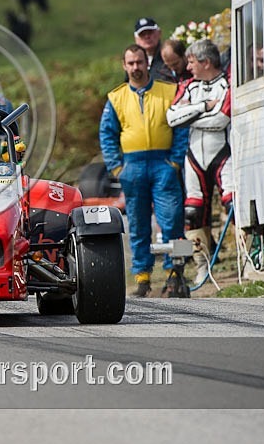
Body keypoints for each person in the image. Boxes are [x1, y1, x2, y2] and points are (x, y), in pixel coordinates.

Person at [99, 44, 187, 297]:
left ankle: (174, 274)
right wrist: (116, 167)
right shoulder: (116, 97)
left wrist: (175, 162)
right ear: (124, 66)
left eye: (139, 62)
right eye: (131, 63)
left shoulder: (169, 91)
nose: (136, 67)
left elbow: (181, 127)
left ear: (146, 63)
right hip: (132, 166)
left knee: (171, 219)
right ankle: (142, 276)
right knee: (137, 224)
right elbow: (107, 134)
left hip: (163, 164)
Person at [166, 39, 233, 285]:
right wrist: (204, 107)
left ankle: (245, 264)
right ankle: (202, 267)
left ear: (205, 61)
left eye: (192, 61)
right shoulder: (188, 86)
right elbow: (172, 118)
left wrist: (191, 115)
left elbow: (222, 119)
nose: (188, 66)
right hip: (194, 156)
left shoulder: (227, 84)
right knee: (192, 212)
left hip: (224, 152)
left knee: (233, 205)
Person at [132, 17, 176, 83]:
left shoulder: (169, 55)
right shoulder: (133, 60)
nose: (147, 37)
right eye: (142, 34)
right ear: (136, 39)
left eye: (150, 32)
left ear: (159, 33)